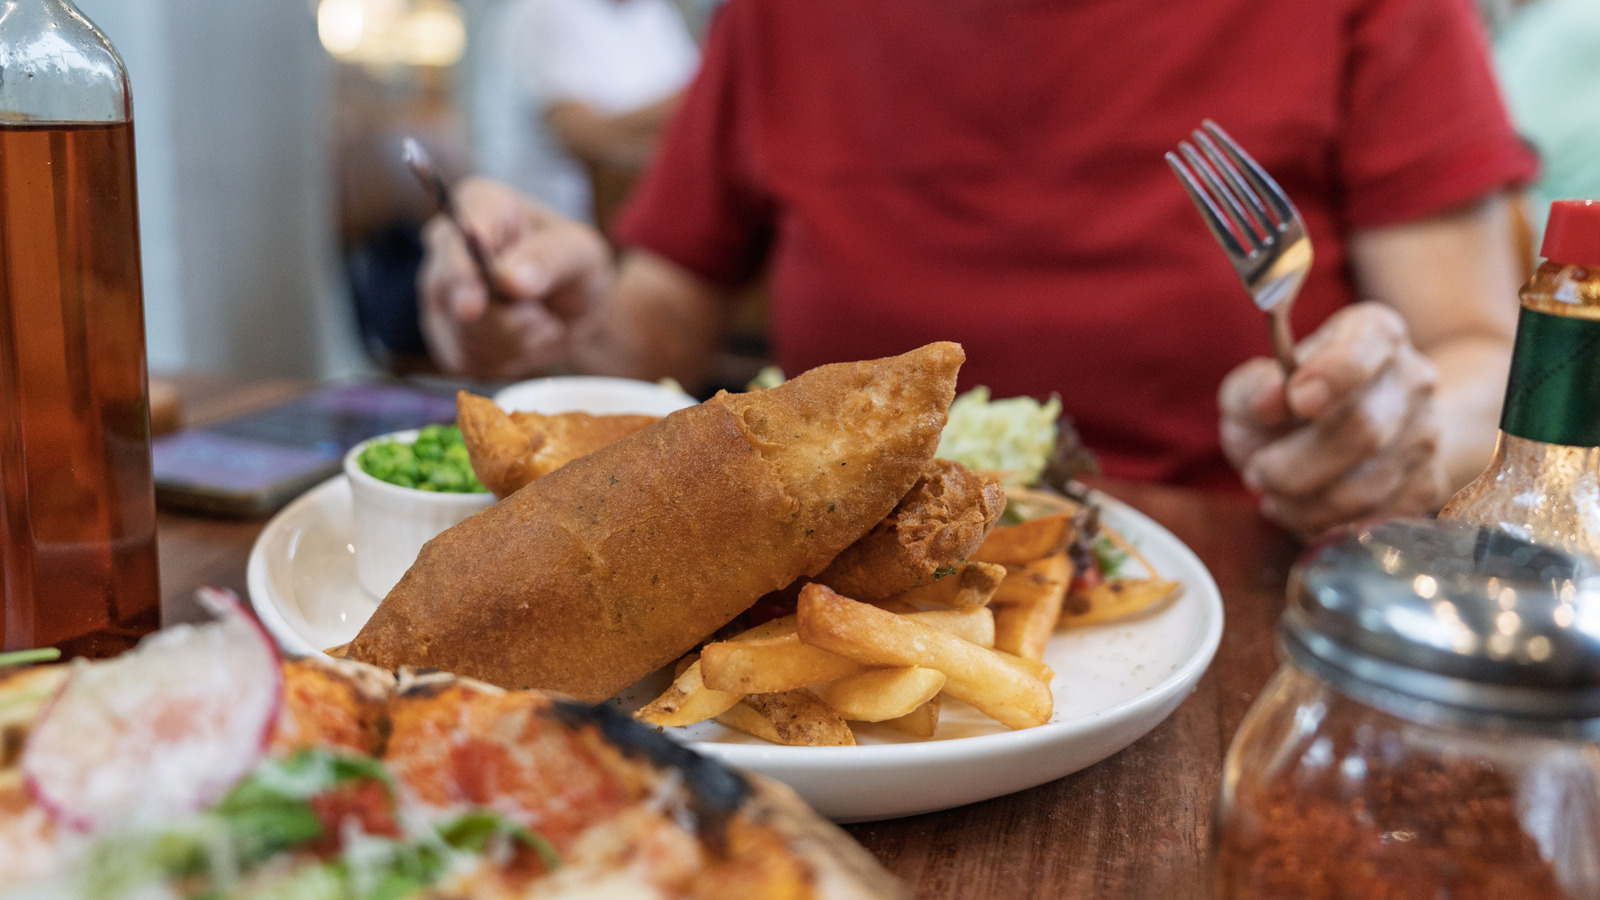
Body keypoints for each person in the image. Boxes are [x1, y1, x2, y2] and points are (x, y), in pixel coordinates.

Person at [422, 0, 1537, 538]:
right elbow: (653, 323)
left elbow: (1483, 357)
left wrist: (1389, 435)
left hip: (1251, 595)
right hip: (838, 587)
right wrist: (549, 309)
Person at [467, 0, 700, 226]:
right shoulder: (547, 10)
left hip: (630, 206)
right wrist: (695, 98)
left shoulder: (656, 12)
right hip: (552, 220)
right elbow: (583, 137)